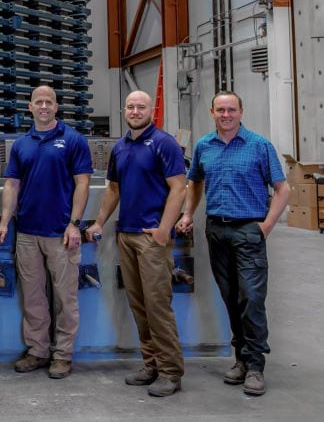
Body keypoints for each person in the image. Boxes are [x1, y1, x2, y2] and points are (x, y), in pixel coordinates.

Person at [176, 91, 289, 397]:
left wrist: (265, 227)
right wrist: (188, 213)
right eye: (220, 110)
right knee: (229, 296)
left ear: (241, 112)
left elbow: (282, 188)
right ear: (212, 113)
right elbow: (195, 181)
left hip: (248, 231)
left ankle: (255, 366)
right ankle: (240, 358)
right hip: (217, 230)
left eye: (231, 110)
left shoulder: (259, 146)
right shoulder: (204, 146)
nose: (226, 115)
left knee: (251, 297)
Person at [85, 90, 186, 397]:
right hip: (126, 235)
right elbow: (113, 189)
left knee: (157, 306)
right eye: (130, 106)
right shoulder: (120, 147)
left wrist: (164, 230)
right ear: (124, 110)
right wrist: (100, 221)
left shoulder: (164, 143)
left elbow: (179, 189)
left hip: (151, 237)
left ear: (150, 110)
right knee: (139, 305)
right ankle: (151, 364)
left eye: (141, 106)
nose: (135, 110)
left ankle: (171, 372)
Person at [0, 85, 92, 380]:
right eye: (39, 102)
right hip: (27, 234)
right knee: (33, 296)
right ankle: (38, 350)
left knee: (65, 297)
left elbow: (83, 183)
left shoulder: (73, 140)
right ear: (30, 107)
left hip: (61, 233)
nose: (44, 106)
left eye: (49, 102)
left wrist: (75, 223)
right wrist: (4, 222)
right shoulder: (22, 144)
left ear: (57, 107)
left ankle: (63, 355)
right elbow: (12, 185)